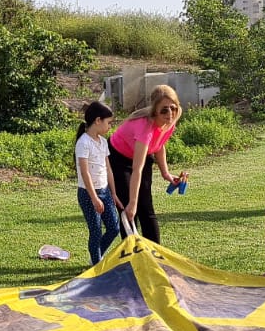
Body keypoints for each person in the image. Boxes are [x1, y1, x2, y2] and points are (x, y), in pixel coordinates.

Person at [107, 85, 184, 244]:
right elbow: (137, 169)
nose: (170, 113)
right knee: (128, 209)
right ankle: (132, 257)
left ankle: (155, 255)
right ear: (154, 110)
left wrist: (166, 173)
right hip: (118, 158)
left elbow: (160, 144)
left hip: (142, 155)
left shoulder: (171, 120)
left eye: (173, 108)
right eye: (164, 110)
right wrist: (132, 203)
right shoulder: (145, 128)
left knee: (146, 208)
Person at [74, 101, 120, 265]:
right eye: (109, 123)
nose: (110, 127)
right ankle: (96, 265)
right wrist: (94, 198)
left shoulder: (103, 142)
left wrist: (113, 193)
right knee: (95, 231)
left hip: (105, 191)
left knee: (114, 228)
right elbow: (85, 172)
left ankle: (96, 256)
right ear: (98, 120)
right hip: (88, 194)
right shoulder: (83, 143)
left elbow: (108, 169)